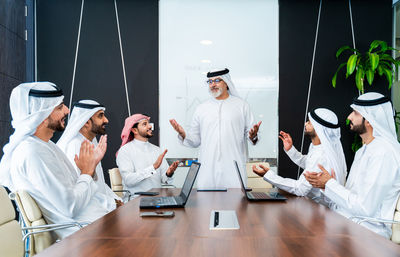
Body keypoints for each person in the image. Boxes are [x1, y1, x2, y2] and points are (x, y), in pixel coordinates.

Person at [0, 82, 110, 239]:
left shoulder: (46, 145)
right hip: (85, 236)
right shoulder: (32, 153)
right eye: (60, 107)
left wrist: (88, 172)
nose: (67, 110)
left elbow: (77, 194)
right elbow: (70, 207)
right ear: (41, 116)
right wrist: (86, 172)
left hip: (96, 224)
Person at [305, 92, 400, 239]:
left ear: (369, 120)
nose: (349, 117)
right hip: (347, 220)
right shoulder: (364, 150)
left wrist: (329, 183)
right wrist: (325, 184)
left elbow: (365, 208)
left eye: (355, 113)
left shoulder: (384, 153)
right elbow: (352, 196)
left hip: (368, 232)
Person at [169, 68, 261, 188]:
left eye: (217, 80)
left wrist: (253, 136)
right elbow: (195, 141)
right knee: (206, 204)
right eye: (210, 81)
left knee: (235, 204)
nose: (213, 84)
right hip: (207, 171)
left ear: (227, 83)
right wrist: (183, 134)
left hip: (233, 170)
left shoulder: (241, 106)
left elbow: (252, 137)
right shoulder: (201, 108)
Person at [252, 108, 347, 206]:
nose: (305, 124)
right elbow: (309, 163)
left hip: (319, 209)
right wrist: (290, 149)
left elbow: (300, 189)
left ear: (319, 128)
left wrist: (268, 175)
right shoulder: (318, 147)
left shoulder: (321, 155)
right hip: (311, 205)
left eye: (309, 122)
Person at [57, 100, 122, 208]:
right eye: (100, 116)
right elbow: (81, 188)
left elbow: (99, 184)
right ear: (86, 122)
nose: (106, 120)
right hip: (87, 214)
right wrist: (112, 203)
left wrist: (118, 199)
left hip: (100, 207)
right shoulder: (76, 146)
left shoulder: (89, 143)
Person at [116, 114, 179, 196]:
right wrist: (153, 167)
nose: (149, 126)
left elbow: (165, 180)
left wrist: (169, 173)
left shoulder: (157, 150)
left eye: (148, 123)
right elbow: (128, 181)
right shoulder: (125, 151)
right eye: (144, 124)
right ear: (134, 130)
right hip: (135, 202)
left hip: (157, 199)